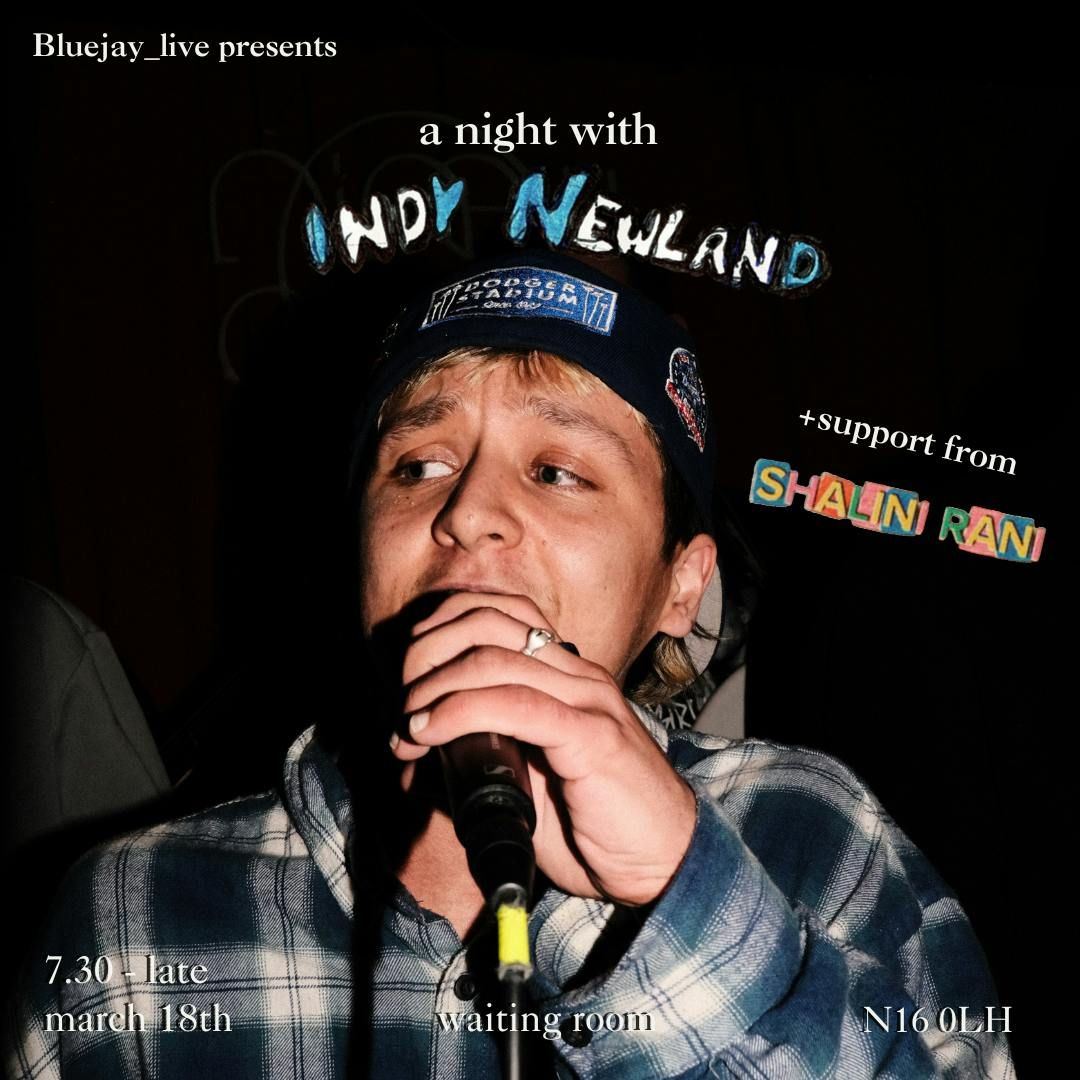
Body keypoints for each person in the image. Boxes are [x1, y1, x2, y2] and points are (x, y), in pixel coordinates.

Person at [6, 250, 1014, 1079]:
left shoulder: (813, 836)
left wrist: (675, 892)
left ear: (681, 585)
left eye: (557, 471)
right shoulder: (135, 914)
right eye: (418, 465)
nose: (470, 512)